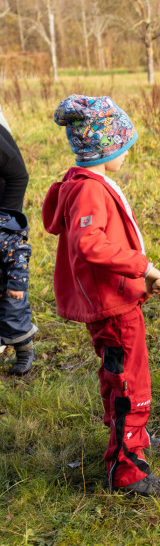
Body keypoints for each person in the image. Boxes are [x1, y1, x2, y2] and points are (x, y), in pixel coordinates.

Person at [43, 95, 160, 497]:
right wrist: (144, 268)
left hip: (113, 300)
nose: (127, 153)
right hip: (113, 307)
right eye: (125, 145)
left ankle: (135, 438)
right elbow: (90, 244)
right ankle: (127, 471)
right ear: (105, 148)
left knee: (117, 378)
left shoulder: (82, 182)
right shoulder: (90, 191)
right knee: (129, 385)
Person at [0, 104, 37, 375]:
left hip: (11, 289)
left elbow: (19, 258)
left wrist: (16, 284)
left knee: (16, 321)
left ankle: (25, 352)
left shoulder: (6, 233)